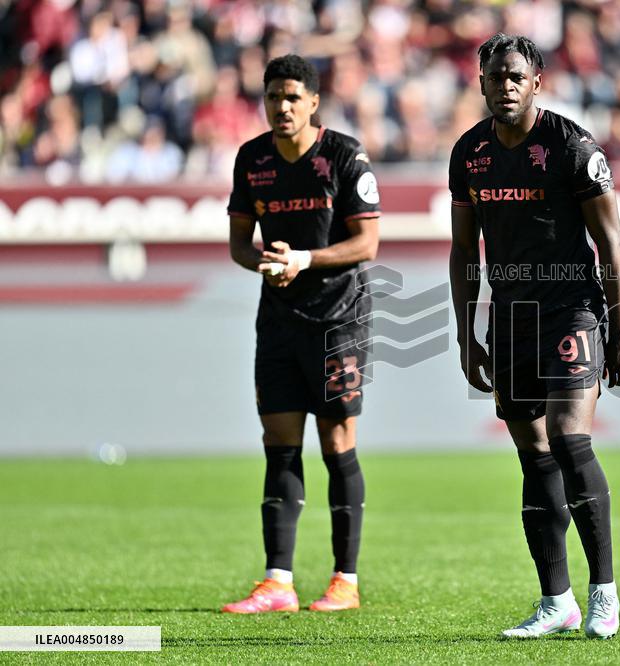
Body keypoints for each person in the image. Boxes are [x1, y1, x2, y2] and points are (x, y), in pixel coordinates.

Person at [448, 34, 620, 639]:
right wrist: (464, 334)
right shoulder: (469, 154)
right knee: (532, 456)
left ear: (537, 83)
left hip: (571, 311)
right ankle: (556, 600)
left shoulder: (571, 146)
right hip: (509, 321)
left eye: (515, 77)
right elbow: (462, 252)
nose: (505, 86)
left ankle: (604, 591)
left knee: (567, 436)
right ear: (480, 83)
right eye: (495, 76)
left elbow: (610, 240)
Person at [222, 54, 380, 614]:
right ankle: (277, 582)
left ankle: (346, 581)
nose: (282, 107)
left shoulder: (342, 155)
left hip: (340, 319)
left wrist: (306, 259)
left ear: (313, 102)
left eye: (292, 97)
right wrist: (264, 262)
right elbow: (241, 243)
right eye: (272, 98)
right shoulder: (252, 159)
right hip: (280, 321)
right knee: (279, 443)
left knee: (337, 442)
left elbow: (367, 244)